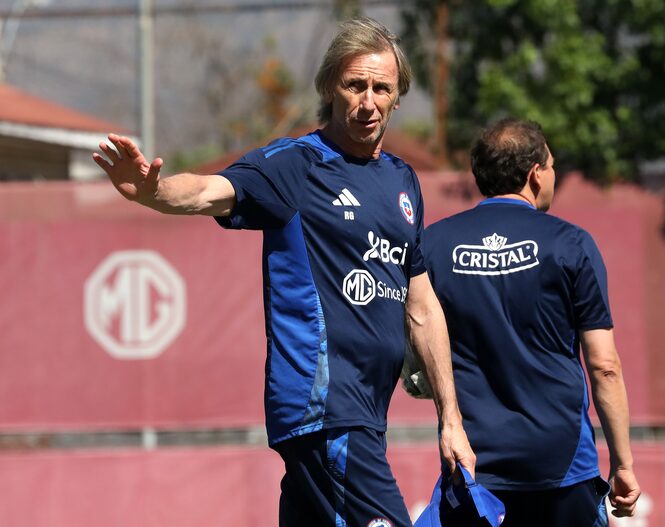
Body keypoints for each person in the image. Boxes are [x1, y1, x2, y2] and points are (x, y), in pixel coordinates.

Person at [92, 17, 474, 527]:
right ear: (329, 89)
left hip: (365, 413)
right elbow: (210, 192)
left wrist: (451, 418)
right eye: (354, 85)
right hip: (325, 412)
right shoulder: (294, 165)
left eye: (381, 88)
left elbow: (422, 305)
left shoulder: (402, 181)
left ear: (398, 96)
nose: (368, 101)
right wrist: (153, 193)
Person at [420, 118, 640, 526]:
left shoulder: (432, 245)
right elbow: (604, 367)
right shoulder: (571, 244)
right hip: (561, 468)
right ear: (535, 174)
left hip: (473, 466)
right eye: (552, 166)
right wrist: (623, 463)